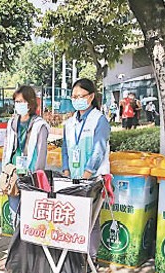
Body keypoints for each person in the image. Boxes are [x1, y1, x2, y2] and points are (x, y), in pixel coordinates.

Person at [62, 78, 111, 259]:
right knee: (74, 218)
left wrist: (86, 175)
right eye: (74, 96)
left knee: (91, 219)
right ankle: (76, 255)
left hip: (92, 179)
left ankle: (91, 257)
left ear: (91, 97)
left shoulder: (99, 120)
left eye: (81, 96)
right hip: (73, 178)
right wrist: (66, 172)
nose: (77, 100)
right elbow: (65, 150)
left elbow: (99, 151)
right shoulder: (69, 123)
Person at [2, 85, 49, 227]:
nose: (19, 105)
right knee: (14, 213)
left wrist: (35, 176)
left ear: (30, 102)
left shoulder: (40, 125)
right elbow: (7, 148)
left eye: (22, 101)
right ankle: (17, 244)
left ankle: (29, 247)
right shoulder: (12, 122)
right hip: (14, 173)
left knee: (30, 214)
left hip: (30, 174)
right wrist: (6, 169)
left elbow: (41, 153)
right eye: (16, 102)